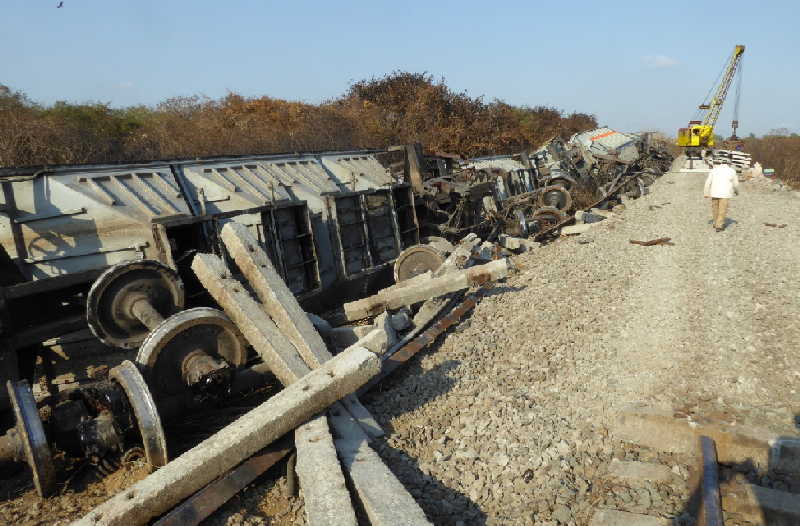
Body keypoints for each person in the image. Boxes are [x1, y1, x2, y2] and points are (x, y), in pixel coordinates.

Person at [703, 155, 739, 232]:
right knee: (722, 209)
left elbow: (708, 182)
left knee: (715, 209)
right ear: (729, 163)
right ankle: (719, 226)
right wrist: (736, 191)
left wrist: (706, 192)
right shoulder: (732, 171)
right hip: (725, 193)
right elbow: (735, 184)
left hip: (714, 192)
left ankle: (716, 223)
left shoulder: (714, 170)